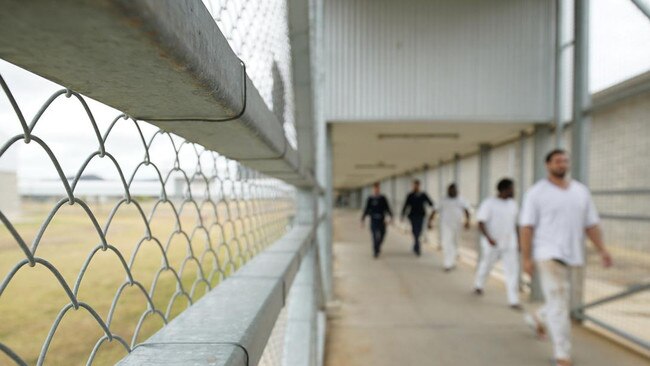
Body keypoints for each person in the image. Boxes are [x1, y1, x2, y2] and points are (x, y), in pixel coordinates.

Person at [520, 149, 613, 366]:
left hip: (572, 255)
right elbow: (526, 227)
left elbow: (591, 224)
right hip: (547, 254)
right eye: (557, 161)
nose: (562, 164)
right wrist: (526, 258)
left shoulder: (580, 192)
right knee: (560, 303)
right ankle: (562, 354)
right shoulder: (536, 193)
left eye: (565, 160)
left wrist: (602, 249)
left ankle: (539, 317)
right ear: (548, 165)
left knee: (560, 301)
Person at [473, 178, 521, 309]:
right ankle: (479, 285)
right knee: (486, 265)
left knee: (512, 271)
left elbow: (516, 224)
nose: (514, 191)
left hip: (510, 243)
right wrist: (489, 238)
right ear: (504, 189)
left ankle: (513, 300)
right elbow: (481, 222)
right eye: (512, 188)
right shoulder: (489, 203)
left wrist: (519, 241)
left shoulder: (513, 204)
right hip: (492, 243)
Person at [429, 183, 470, 271]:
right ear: (448, 191)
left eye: (454, 190)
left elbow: (466, 210)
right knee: (447, 243)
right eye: (450, 190)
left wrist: (467, 221)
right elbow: (434, 210)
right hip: (445, 225)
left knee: (455, 243)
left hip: (457, 225)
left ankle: (452, 261)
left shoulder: (461, 200)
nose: (452, 192)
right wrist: (430, 221)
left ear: (457, 191)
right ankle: (447, 264)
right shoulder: (443, 200)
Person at [400, 179, 434, 256]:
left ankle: (416, 244)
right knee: (415, 231)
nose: (415, 187)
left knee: (419, 231)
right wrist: (402, 215)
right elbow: (406, 205)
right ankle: (417, 247)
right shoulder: (410, 195)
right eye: (414, 185)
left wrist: (434, 208)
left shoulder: (423, 195)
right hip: (412, 216)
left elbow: (430, 202)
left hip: (421, 215)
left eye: (417, 185)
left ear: (419, 186)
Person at [361, 182, 393, 258]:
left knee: (383, 234)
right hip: (374, 220)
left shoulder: (383, 198)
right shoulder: (370, 199)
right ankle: (375, 251)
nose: (376, 190)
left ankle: (378, 246)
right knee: (375, 236)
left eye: (378, 188)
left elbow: (387, 208)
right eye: (375, 188)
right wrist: (363, 219)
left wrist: (391, 216)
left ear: (379, 189)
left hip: (382, 220)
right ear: (373, 189)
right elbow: (366, 209)